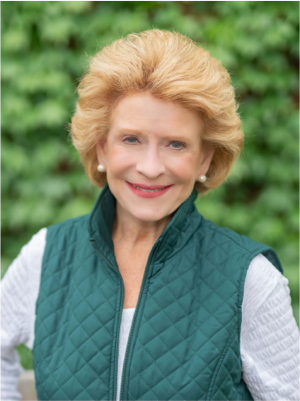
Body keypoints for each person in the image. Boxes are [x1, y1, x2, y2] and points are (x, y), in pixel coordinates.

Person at [1, 29, 299, 401]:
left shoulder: (251, 279)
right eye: (131, 139)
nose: (151, 166)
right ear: (102, 147)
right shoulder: (46, 255)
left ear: (204, 158)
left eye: (175, 144)